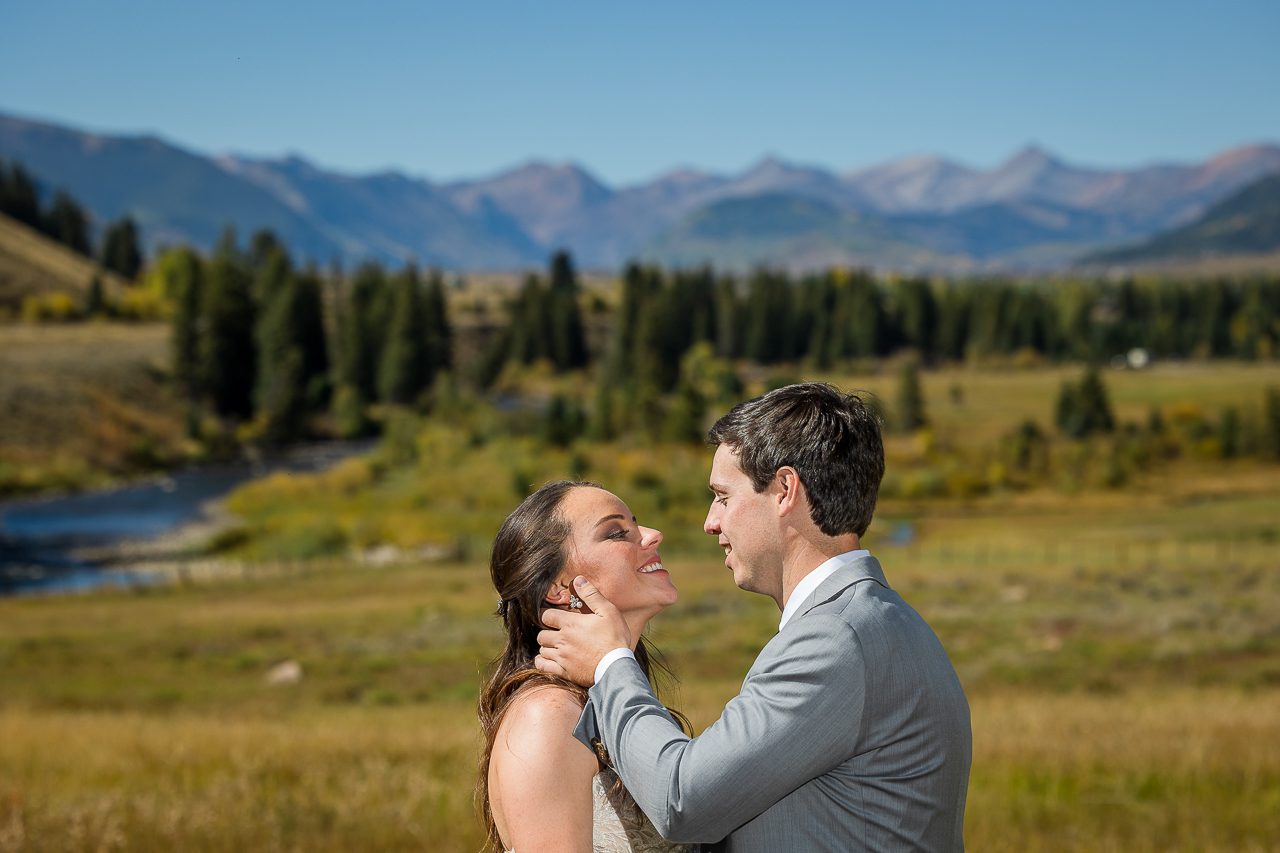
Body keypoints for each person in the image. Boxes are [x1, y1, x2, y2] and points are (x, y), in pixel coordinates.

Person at [536, 383, 972, 852]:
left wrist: (610, 665)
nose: (710, 521)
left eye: (723, 496)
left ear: (785, 490)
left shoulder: (834, 639)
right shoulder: (886, 622)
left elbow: (682, 801)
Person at [478, 480, 695, 853]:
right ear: (558, 588)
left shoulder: (602, 702)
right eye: (616, 532)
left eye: (636, 523)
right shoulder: (549, 715)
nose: (653, 535)